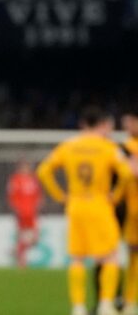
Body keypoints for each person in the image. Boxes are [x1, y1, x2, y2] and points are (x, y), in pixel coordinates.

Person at [37, 107, 132, 315]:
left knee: (77, 259)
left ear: (83, 124)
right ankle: (106, 304)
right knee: (111, 257)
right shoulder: (107, 147)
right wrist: (115, 195)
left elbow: (43, 171)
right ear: (102, 124)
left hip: (75, 205)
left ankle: (78, 307)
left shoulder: (68, 146)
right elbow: (126, 173)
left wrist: (60, 196)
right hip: (99, 204)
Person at [7, 159, 43, 268]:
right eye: (23, 167)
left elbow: (38, 194)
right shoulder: (16, 179)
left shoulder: (33, 179)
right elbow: (12, 195)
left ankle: (16, 250)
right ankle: (22, 262)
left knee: (35, 239)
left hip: (32, 212)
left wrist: (38, 204)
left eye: (27, 167)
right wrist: (16, 207)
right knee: (22, 236)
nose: (26, 169)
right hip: (22, 212)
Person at [120, 108, 138, 315]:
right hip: (131, 210)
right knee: (133, 256)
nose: (127, 127)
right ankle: (129, 300)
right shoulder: (124, 147)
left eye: (131, 122)